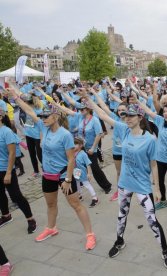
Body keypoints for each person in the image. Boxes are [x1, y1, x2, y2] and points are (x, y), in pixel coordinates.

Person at [9, 86, 96, 250]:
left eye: (46, 116)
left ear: (55, 116)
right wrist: (16, 97)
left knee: (76, 205)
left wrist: (69, 180)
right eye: (42, 116)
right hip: (48, 174)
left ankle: (90, 234)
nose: (42, 119)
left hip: (64, 175)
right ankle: (51, 228)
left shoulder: (64, 135)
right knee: (50, 204)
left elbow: (71, 160)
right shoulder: (43, 127)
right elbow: (29, 111)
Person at [103, 104, 167, 269]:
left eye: (131, 115)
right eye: (126, 115)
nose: (127, 118)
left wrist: (157, 188)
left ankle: (165, 251)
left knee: (152, 220)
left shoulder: (149, 139)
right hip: (124, 184)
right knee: (121, 215)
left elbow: (154, 165)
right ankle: (119, 241)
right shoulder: (125, 130)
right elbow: (104, 116)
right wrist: (88, 98)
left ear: (140, 118)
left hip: (142, 186)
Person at [0, 107, 37, 233]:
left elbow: (11, 154)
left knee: (16, 196)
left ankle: (30, 219)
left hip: (6, 169)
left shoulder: (6, 132)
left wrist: (9, 172)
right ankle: (6, 215)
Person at [73, 137, 98, 207]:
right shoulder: (73, 152)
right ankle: (79, 195)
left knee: (86, 184)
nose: (73, 145)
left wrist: (89, 173)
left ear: (81, 145)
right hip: (76, 171)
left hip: (83, 172)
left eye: (76, 144)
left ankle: (95, 198)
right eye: (73, 144)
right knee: (77, 183)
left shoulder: (83, 154)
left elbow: (88, 164)